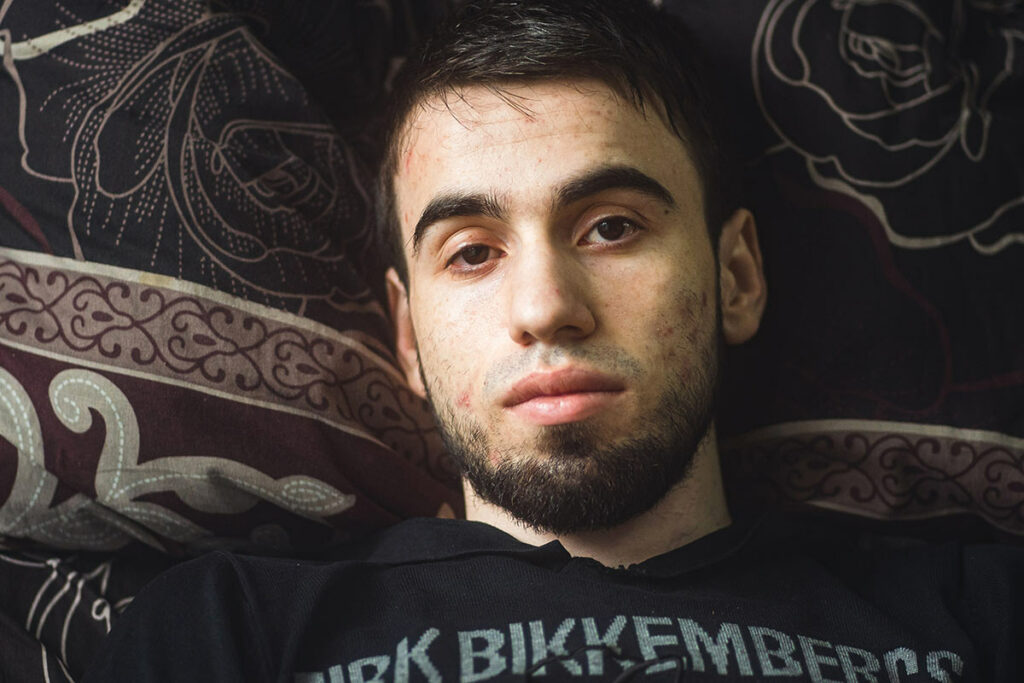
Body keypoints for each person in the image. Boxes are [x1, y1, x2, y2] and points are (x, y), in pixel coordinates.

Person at [84, 1, 1022, 681]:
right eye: (472, 252)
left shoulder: (977, 614)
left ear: (736, 276)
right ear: (408, 337)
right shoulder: (231, 633)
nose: (544, 307)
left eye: (610, 227)